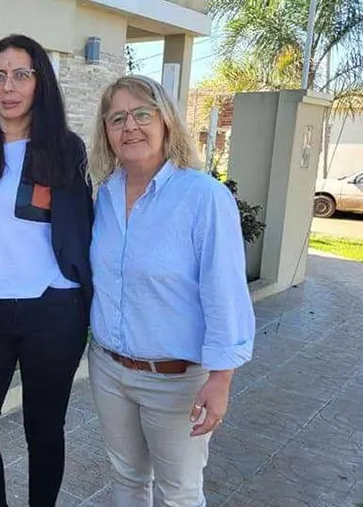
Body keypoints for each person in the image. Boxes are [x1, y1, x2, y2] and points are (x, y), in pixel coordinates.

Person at [86, 74, 255, 507]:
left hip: (176, 381)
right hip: (109, 369)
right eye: (117, 118)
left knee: (178, 493)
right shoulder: (105, 196)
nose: (130, 126)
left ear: (166, 121)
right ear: (106, 132)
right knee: (126, 480)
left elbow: (225, 291)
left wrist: (221, 378)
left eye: (142, 114)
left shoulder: (203, 197)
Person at [0, 34, 94, 507]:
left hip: (52, 309)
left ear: (39, 82)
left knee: (43, 430)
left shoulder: (66, 149)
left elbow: (82, 227)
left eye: (21, 75)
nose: (9, 87)